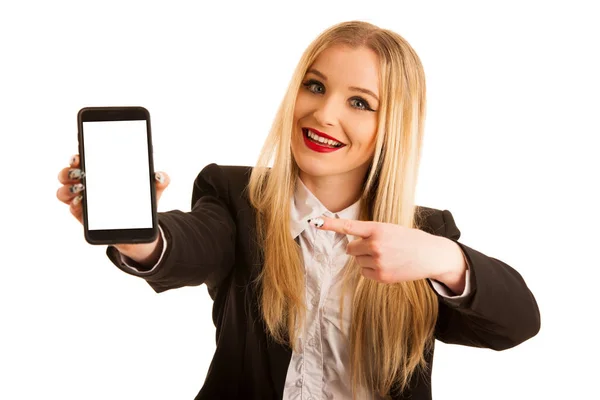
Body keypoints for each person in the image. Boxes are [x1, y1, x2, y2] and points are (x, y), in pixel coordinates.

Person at [56, 20, 540, 400]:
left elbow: (518, 324)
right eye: (314, 86)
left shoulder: (425, 235)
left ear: (393, 125)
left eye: (359, 102)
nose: (324, 113)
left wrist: (443, 259)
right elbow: (192, 243)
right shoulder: (233, 194)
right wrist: (139, 235)